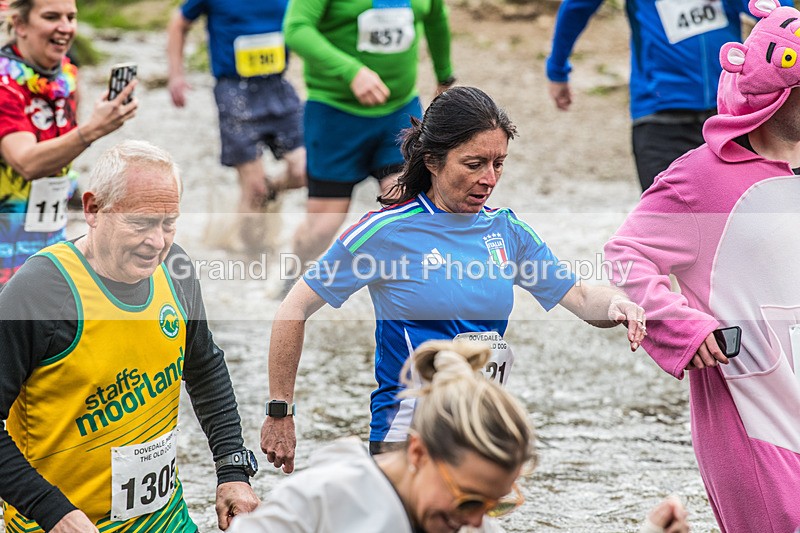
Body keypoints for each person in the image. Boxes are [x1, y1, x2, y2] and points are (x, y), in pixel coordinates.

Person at [261, 86, 647, 470]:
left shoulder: (507, 231)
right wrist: (281, 411)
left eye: (499, 163)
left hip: (479, 437)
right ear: (432, 160)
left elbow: (579, 297)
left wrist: (618, 303)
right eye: (474, 164)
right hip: (407, 439)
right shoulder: (385, 232)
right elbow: (294, 307)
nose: (490, 178)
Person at [604, 0, 800, 530]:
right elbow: (626, 255)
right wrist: (678, 325)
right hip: (752, 419)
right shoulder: (704, 177)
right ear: (784, 91)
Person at [0, 140, 259, 532]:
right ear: (92, 209)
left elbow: (204, 368)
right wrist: (52, 512)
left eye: (168, 223)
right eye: (140, 223)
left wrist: (232, 468)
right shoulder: (39, 292)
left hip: (165, 518)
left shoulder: (175, 268)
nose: (157, 242)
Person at [238, 341, 689, 533]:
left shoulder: (466, 525)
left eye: (493, 506)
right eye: (471, 501)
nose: (478, 521)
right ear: (417, 450)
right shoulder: (319, 499)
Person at [282, 0, 456, 279]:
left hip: (399, 114)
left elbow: (436, 17)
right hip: (335, 115)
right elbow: (296, 29)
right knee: (322, 229)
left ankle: (406, 296)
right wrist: (352, 71)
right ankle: (290, 275)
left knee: (407, 203)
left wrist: (444, 75)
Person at [545, 0, 791, 191]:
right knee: (669, 225)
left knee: (741, 224)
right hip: (660, 114)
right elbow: (577, 7)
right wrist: (557, 69)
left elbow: (777, 15)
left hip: (731, 113)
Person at [0, 0, 138, 287]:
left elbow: (62, 148)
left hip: (50, 238)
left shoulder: (66, 73)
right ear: (20, 25)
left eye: (71, 17)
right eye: (52, 17)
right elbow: (26, 162)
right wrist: (92, 129)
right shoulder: (5, 83)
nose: (65, 28)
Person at [166, 0, 306, 250]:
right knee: (254, 190)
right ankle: (250, 264)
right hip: (234, 92)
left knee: (304, 170)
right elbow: (179, 22)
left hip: (278, 86)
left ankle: (272, 188)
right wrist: (176, 75)